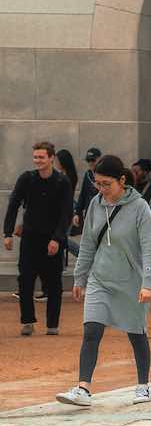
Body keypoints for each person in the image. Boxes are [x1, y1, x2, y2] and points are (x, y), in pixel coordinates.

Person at [56, 155, 151, 407]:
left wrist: (148, 283)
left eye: (106, 184)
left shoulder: (140, 207)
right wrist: (80, 277)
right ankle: (83, 389)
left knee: (136, 332)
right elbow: (88, 243)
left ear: (122, 180)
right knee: (91, 330)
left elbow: (148, 247)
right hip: (100, 279)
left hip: (131, 281)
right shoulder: (95, 204)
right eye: (97, 183)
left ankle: (143, 386)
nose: (101, 189)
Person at [4, 141, 74, 336]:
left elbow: (66, 213)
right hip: (30, 238)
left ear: (51, 158)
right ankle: (27, 321)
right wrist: (8, 233)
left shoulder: (62, 182)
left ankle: (52, 324)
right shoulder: (27, 179)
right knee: (25, 281)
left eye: (42, 157)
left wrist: (57, 238)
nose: (38, 161)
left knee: (53, 283)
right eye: (35, 157)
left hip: (52, 240)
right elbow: (13, 205)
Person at [71, 147, 100, 236]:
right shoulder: (88, 174)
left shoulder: (104, 174)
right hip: (89, 213)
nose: (90, 163)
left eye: (93, 160)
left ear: (99, 159)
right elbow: (83, 195)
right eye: (88, 160)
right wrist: (77, 213)